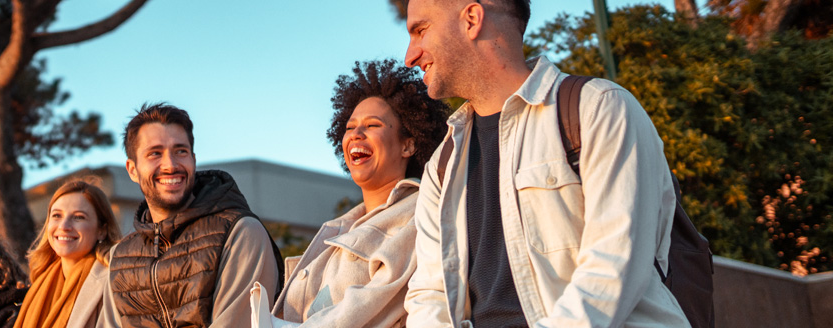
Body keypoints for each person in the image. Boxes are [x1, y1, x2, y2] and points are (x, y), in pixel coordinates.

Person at [401, 0, 690, 327]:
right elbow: (430, 295)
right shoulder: (442, 165)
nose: (410, 56)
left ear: (471, 19)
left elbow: (612, 269)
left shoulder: (598, 110)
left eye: (420, 31)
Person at [267, 59, 449, 327]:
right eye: (350, 127)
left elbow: (373, 305)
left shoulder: (421, 211)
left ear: (408, 145)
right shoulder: (337, 230)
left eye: (372, 125)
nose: (356, 134)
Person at [99, 103, 284, 328]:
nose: (170, 165)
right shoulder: (121, 257)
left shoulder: (240, 233)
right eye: (155, 153)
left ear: (193, 160)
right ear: (132, 170)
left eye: (180, 151)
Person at [12, 179, 123, 328]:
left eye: (78, 217)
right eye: (57, 216)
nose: (64, 226)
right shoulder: (37, 286)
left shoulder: (115, 280)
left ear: (102, 230)